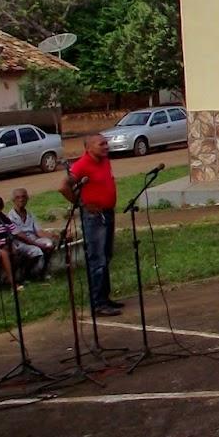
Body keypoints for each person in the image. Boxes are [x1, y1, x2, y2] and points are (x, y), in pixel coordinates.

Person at [61, 133, 122, 317]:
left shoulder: (104, 160)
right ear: (89, 148)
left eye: (106, 143)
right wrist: (82, 204)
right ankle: (98, 303)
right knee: (98, 259)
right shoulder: (82, 165)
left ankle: (105, 296)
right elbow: (64, 186)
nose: (106, 146)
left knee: (106, 255)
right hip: (94, 218)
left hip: (107, 213)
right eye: (101, 144)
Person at [7, 188, 54, 280]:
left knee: (49, 244)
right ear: (13, 200)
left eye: (23, 197)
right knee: (36, 251)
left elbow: (39, 232)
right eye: (18, 197)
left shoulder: (30, 214)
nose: (21, 199)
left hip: (33, 239)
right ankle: (28, 274)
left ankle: (43, 271)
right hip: (20, 243)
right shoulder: (10, 217)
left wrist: (55, 236)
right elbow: (20, 236)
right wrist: (38, 244)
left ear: (27, 198)